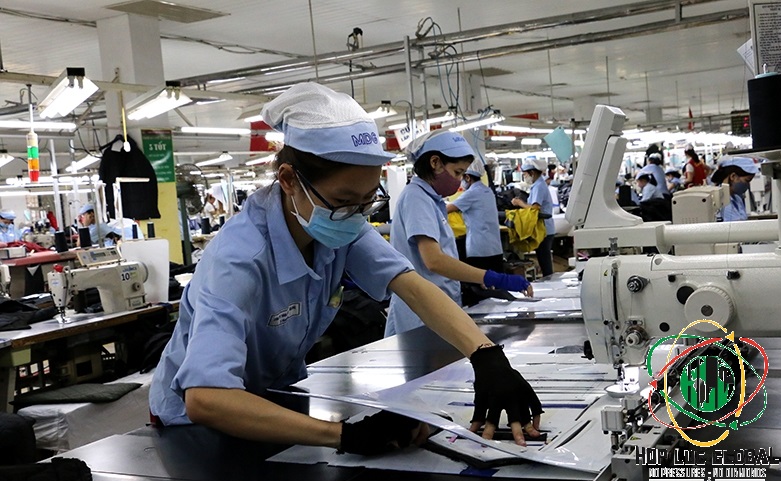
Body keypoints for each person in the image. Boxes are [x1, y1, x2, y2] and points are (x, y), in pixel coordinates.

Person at [149, 83, 544, 456]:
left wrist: (486, 356)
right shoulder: (238, 258)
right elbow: (206, 398)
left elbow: (411, 284)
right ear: (288, 180)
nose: (356, 214)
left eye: (367, 201)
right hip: (197, 428)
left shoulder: (341, 225)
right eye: (343, 201)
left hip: (273, 400)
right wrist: (346, 435)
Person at [385, 130, 533, 338]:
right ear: (435, 163)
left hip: (436, 305)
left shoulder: (432, 200)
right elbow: (434, 261)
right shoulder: (416, 198)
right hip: (421, 311)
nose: (460, 181)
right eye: (457, 172)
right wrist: (492, 277)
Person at [446, 162, 504, 273]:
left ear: (467, 177)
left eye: (461, 175)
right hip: (495, 248)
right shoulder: (488, 191)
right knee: (496, 281)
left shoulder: (471, 193)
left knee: (479, 281)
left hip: (479, 250)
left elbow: (446, 209)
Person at [511, 160, 556, 277]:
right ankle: (548, 281)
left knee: (544, 261)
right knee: (543, 259)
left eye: (525, 174)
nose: (524, 176)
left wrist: (520, 203)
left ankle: (549, 283)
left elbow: (535, 208)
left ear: (532, 173)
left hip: (544, 229)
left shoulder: (539, 186)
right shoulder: (538, 185)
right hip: (544, 228)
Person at [711, 156, 759, 222]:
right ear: (733, 176)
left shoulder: (737, 199)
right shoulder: (721, 201)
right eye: (747, 180)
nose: (748, 185)